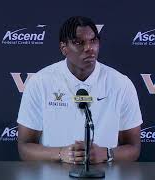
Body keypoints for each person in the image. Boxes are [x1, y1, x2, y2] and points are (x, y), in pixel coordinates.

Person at [17, 16, 142, 164]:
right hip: (53, 174)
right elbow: (24, 148)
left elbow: (134, 148)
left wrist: (106, 154)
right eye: (79, 42)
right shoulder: (40, 82)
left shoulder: (121, 84)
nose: (89, 48)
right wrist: (61, 153)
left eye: (93, 41)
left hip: (105, 174)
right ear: (64, 48)